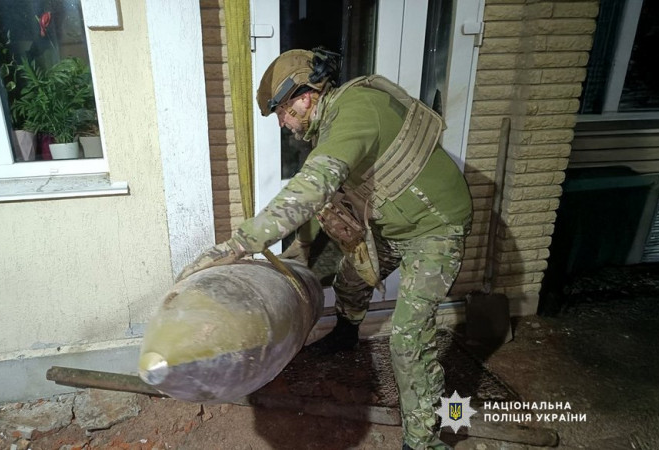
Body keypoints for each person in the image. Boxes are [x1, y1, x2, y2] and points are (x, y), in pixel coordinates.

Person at [178, 48, 472, 450]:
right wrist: (299, 255)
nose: (282, 123)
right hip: (393, 228)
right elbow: (325, 202)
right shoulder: (329, 126)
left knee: (408, 339)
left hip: (436, 228)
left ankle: (422, 440)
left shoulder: (357, 108)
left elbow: (312, 187)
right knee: (351, 280)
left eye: (282, 111)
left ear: (306, 96)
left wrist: (239, 245)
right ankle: (347, 334)